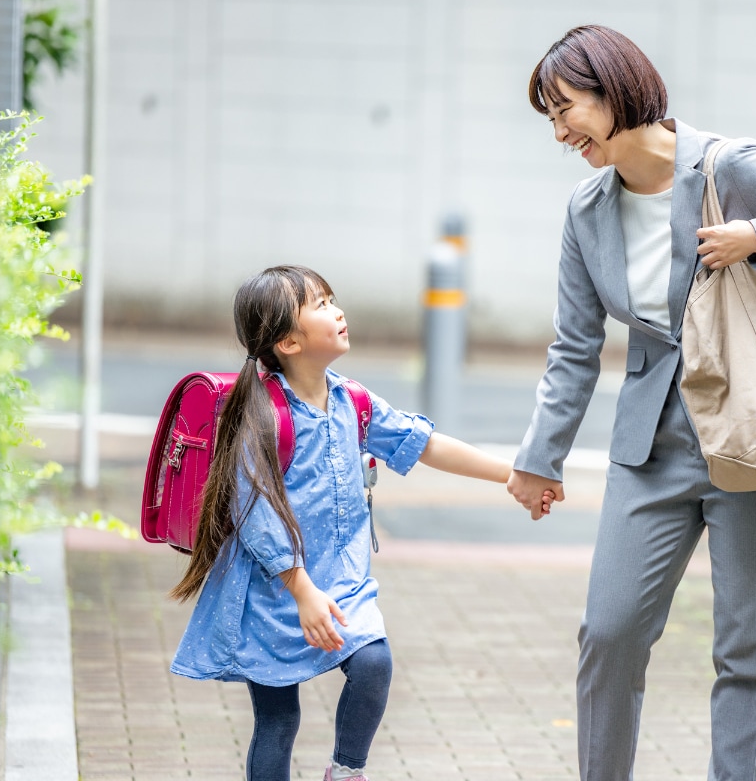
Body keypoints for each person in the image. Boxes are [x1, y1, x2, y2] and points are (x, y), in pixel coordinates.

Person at [507, 25, 756, 780]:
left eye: (566, 107)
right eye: (550, 115)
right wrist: (539, 459)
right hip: (651, 447)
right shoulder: (586, 211)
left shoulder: (729, 166)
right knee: (608, 633)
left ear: (615, 89)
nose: (559, 130)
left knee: (748, 652)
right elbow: (575, 346)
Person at [169, 265, 533, 781]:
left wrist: (514, 475)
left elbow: (423, 443)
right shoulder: (263, 416)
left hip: (343, 583)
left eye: (332, 299)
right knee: (278, 719)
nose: (337, 310)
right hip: (274, 592)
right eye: (319, 305)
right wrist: (301, 590)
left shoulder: (351, 400)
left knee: (373, 665)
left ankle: (346, 771)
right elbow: (255, 516)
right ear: (288, 342)